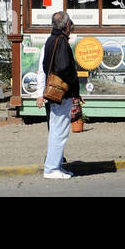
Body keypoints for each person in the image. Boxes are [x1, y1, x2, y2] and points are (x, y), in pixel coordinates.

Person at [42, 11, 80, 178]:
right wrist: (73, 83)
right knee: (60, 132)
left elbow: (45, 66)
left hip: (53, 92)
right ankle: (51, 168)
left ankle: (55, 165)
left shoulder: (50, 40)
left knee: (56, 131)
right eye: (70, 24)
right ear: (66, 25)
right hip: (61, 94)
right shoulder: (62, 42)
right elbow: (65, 68)